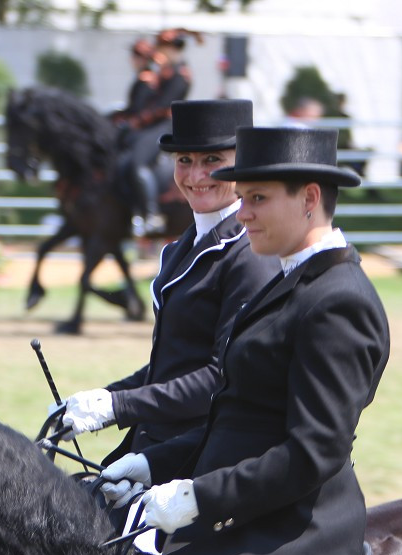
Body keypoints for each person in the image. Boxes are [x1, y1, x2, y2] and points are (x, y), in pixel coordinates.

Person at [100, 126, 390, 555]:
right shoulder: (286, 279)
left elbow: (313, 452)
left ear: (309, 198)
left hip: (291, 544)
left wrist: (196, 497)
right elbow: (239, 418)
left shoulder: (339, 300)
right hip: (237, 530)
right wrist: (155, 462)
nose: (244, 212)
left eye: (257, 199)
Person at [57, 100, 280, 470]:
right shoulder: (180, 248)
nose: (195, 176)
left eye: (212, 161)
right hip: (154, 440)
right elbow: (172, 366)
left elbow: (222, 378)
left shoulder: (249, 255)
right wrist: (103, 397)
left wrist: (119, 406)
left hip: (202, 455)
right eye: (184, 161)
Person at [118, 29, 195, 238]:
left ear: (172, 48)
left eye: (162, 48)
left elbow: (163, 106)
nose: (158, 52)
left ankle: (152, 215)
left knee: (138, 162)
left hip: (167, 125)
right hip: (156, 125)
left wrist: (137, 121)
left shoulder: (180, 74)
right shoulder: (164, 71)